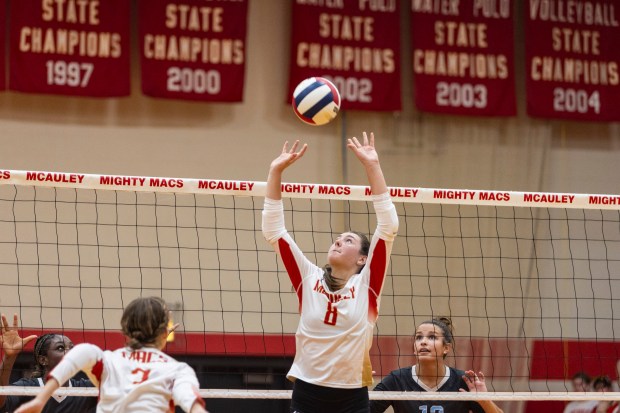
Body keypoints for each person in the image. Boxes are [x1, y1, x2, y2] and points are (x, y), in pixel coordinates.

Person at [262, 132, 399, 413]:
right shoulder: (307, 278)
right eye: (338, 238)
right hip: (307, 393)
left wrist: (373, 166)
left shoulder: (368, 287)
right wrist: (275, 171)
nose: (338, 241)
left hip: (350, 397)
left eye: (348, 240)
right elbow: (274, 231)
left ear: (363, 258)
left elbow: (388, 226)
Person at [14, 297, 208, 413]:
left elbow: (82, 353)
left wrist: (41, 399)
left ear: (124, 331)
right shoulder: (177, 370)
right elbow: (191, 401)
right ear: (165, 333)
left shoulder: (108, 361)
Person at [370, 317, 503, 413]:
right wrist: (357, 388)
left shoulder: (463, 381)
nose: (423, 342)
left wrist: (484, 400)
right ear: (414, 348)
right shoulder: (397, 380)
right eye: (418, 337)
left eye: (432, 337)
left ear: (446, 348)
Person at [0, 313, 97, 413]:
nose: (70, 352)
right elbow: (1, 402)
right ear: (43, 360)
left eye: (72, 348)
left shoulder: (85, 389)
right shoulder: (29, 388)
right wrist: (9, 357)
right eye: (60, 348)